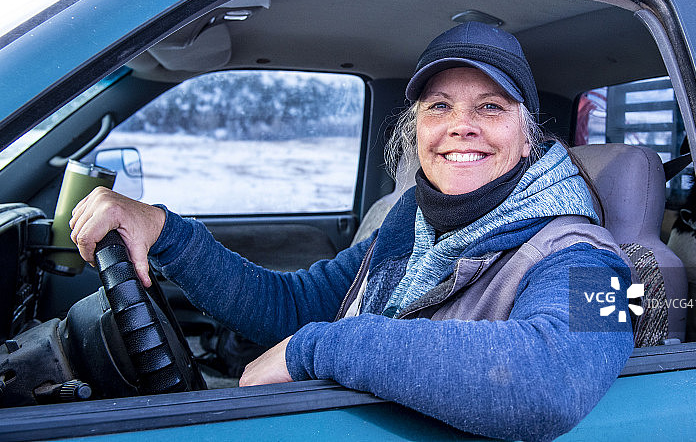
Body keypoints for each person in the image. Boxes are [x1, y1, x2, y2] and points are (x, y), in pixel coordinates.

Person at [70, 22, 634, 441]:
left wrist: (321, 347)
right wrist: (166, 232)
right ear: (417, 129)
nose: (461, 125)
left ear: (529, 135)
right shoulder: (411, 224)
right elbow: (294, 305)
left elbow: (554, 380)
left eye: (490, 106)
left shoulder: (592, 260)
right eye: (439, 106)